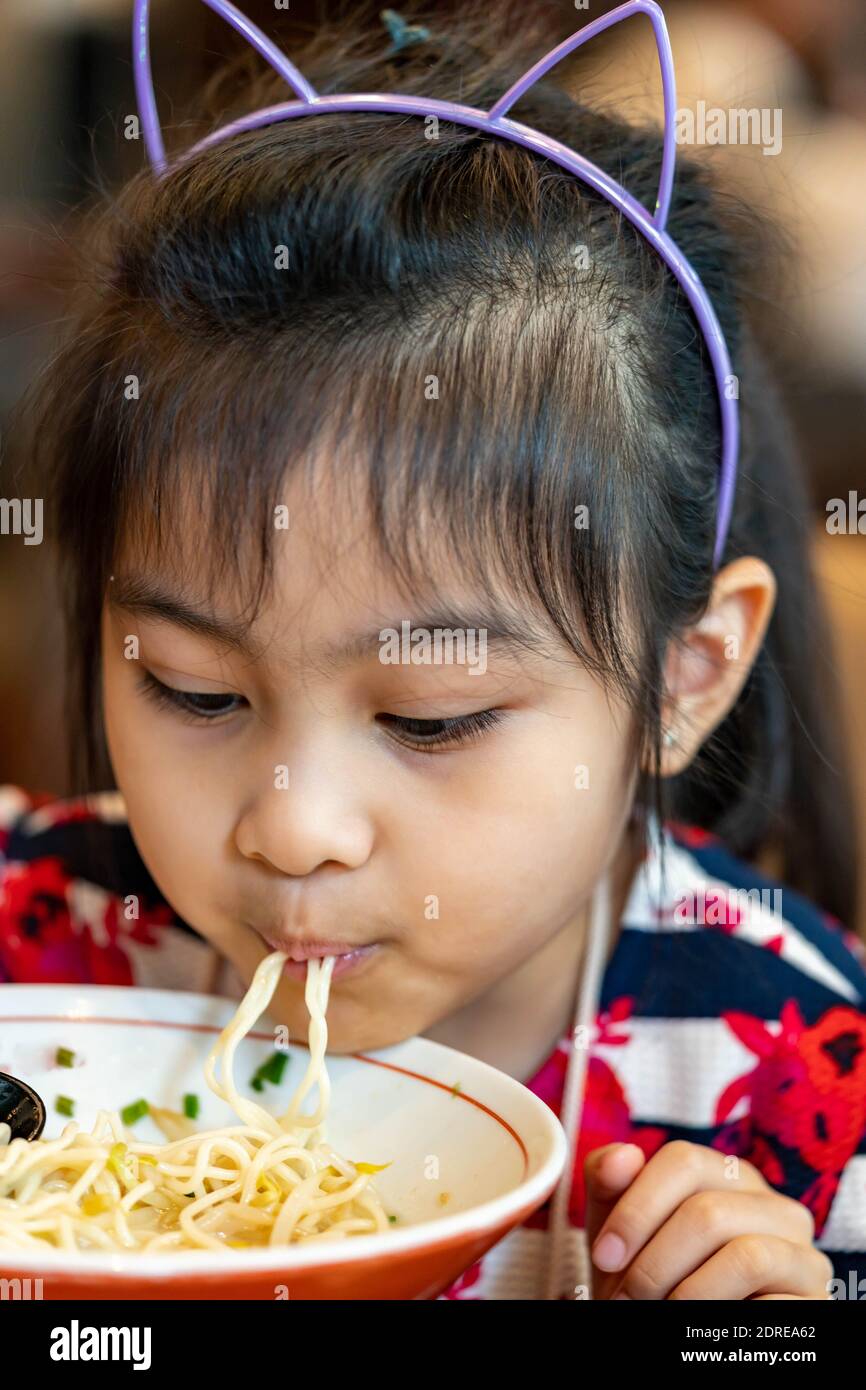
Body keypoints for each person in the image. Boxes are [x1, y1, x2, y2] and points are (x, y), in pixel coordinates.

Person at [2, 2, 864, 1299]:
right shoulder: (46, 950)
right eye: (195, 689)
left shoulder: (798, 1081)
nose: (296, 831)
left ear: (680, 679)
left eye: (431, 715)